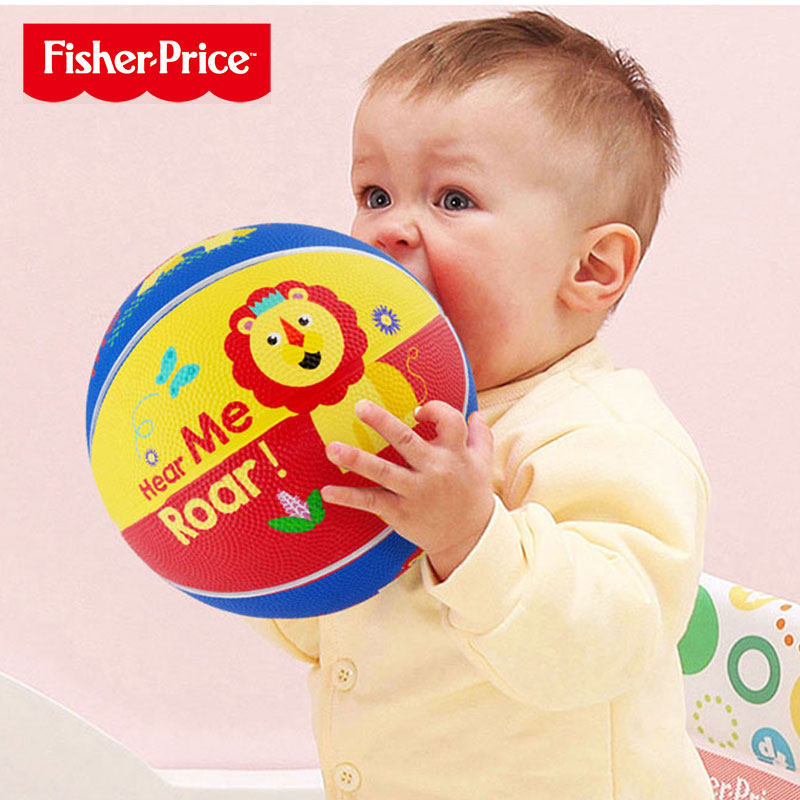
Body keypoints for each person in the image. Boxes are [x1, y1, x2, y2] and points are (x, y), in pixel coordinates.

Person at [250, 11, 713, 799]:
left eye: (453, 198)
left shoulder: (604, 436)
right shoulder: (376, 420)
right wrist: (281, 530)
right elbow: (327, 640)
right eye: (374, 193)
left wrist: (469, 537)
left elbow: (598, 648)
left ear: (591, 268)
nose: (391, 228)